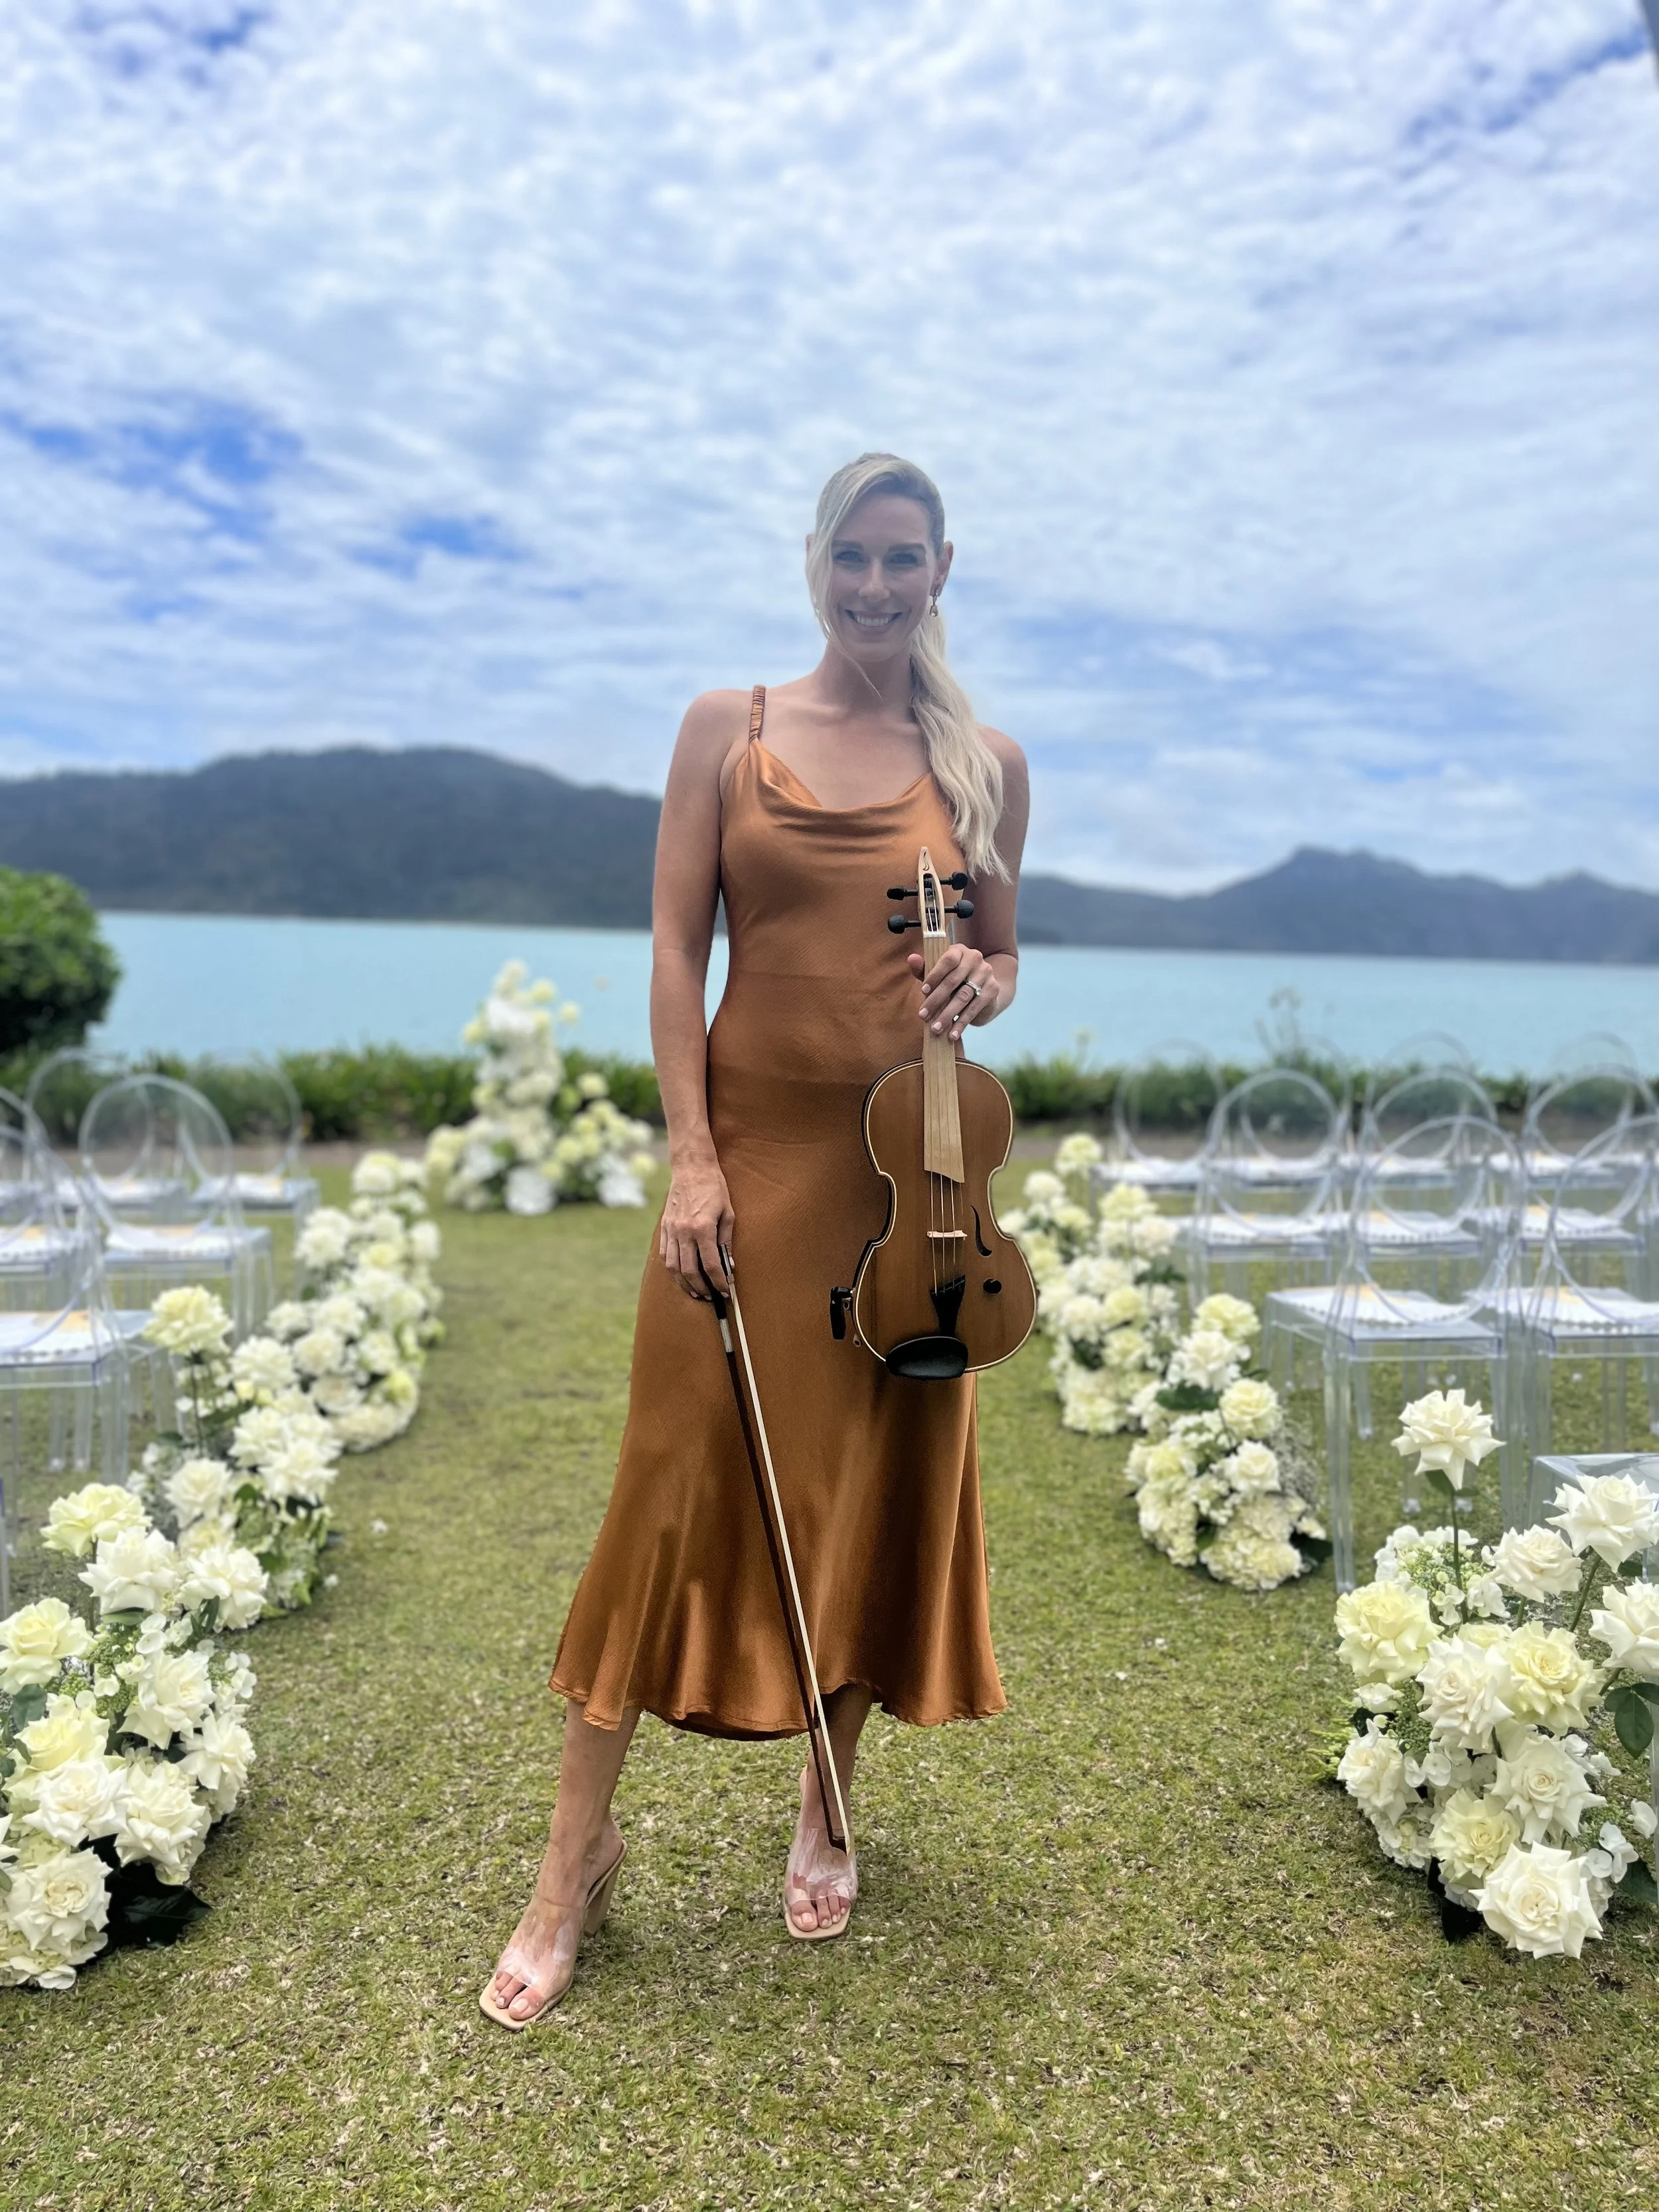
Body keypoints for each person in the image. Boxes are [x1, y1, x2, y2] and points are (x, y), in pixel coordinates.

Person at [482, 452, 1029, 2028]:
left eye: (903, 559)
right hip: (749, 1164)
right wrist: (691, 1160)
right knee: (666, 1489)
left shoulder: (984, 764)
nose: (875, 585)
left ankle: (824, 1803)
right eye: (851, 556)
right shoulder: (726, 726)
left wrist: (982, 982)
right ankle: (571, 1861)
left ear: (941, 570)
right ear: (814, 562)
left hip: (908, 1183)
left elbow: (1000, 957)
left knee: (868, 1475)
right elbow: (675, 944)